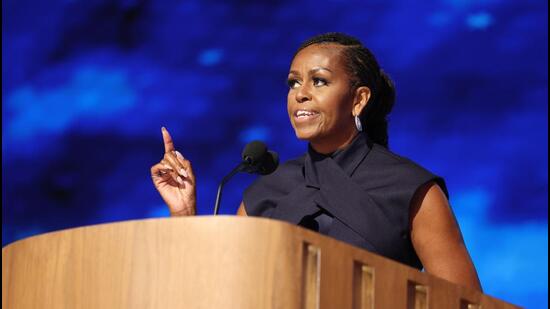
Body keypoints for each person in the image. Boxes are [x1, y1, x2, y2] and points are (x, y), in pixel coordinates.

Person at [150, 32, 482, 291]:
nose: (300, 93)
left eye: (319, 80)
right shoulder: (266, 191)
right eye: (294, 82)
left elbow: (463, 301)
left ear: (358, 99)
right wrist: (183, 213)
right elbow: (217, 291)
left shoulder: (411, 189)